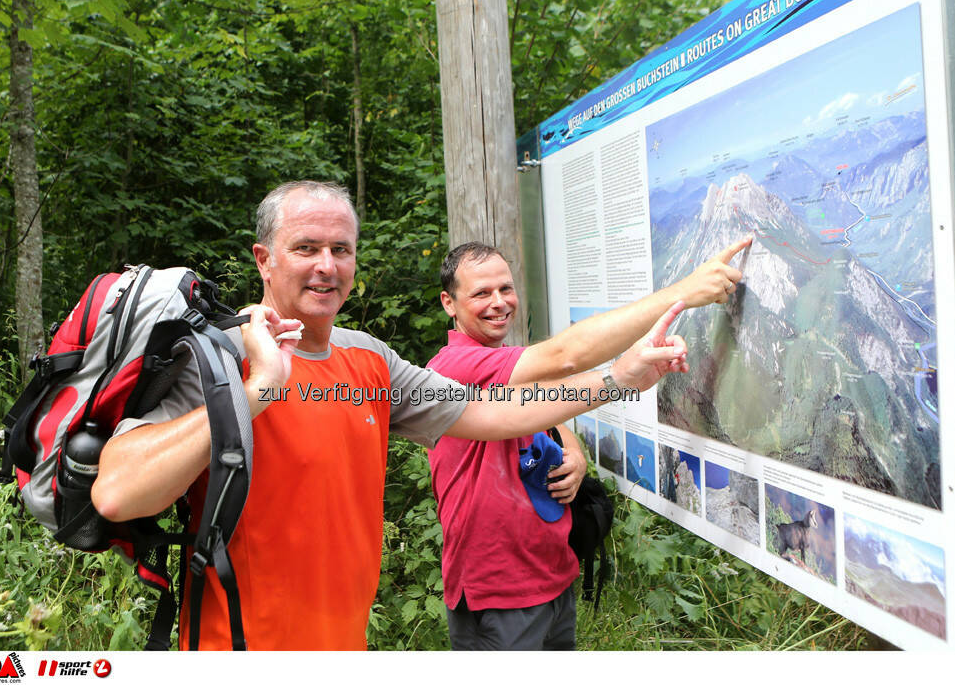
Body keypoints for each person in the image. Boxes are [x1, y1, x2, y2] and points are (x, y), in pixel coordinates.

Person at [90, 180, 692, 650]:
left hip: (347, 645)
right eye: (306, 248)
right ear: (264, 260)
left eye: (340, 249)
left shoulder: (369, 359)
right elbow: (117, 494)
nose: (326, 264)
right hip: (239, 649)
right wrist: (258, 389)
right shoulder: (218, 359)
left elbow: (490, 413)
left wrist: (620, 378)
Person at [426, 237, 750, 650]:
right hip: (500, 591)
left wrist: (575, 454)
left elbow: (545, 407)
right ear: (449, 303)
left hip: (553, 575)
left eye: (505, 289)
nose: (499, 302)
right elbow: (567, 356)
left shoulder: (507, 361)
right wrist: (684, 293)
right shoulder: (452, 367)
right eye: (481, 293)